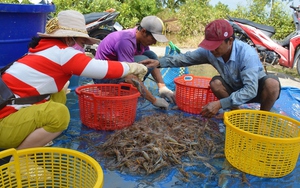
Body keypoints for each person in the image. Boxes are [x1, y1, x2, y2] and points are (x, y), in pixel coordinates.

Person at [0, 10, 148, 150]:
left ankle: (36, 138)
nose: (83, 48)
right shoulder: (63, 54)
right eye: (82, 43)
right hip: (4, 125)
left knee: (59, 92)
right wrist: (133, 67)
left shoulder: (44, 49)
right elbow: (102, 69)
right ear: (69, 38)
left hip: (9, 111)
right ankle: (18, 158)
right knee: (59, 114)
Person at [140, 19, 281, 118]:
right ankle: (235, 113)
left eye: (216, 45)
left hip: (256, 90)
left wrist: (220, 104)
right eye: (209, 45)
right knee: (215, 83)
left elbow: (250, 89)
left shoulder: (246, 54)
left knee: (272, 84)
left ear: (230, 41)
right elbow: (185, 58)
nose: (212, 50)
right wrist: (159, 63)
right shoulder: (210, 51)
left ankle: (263, 118)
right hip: (233, 87)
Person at [93, 15, 175, 109]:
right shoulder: (125, 41)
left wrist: (163, 88)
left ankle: (161, 88)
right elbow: (129, 76)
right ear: (144, 31)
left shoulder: (141, 40)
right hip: (104, 79)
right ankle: (129, 89)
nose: (154, 43)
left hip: (118, 70)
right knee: (142, 59)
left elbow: (151, 61)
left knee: (150, 56)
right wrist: (154, 100)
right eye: (153, 39)